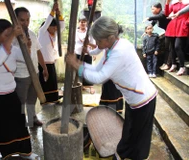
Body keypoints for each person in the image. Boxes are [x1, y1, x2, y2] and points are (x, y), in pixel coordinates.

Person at [66, 16, 157, 160]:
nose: (96, 43)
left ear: (109, 37)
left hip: (143, 99)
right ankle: (123, 155)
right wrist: (79, 63)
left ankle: (127, 156)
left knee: (138, 138)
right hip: (135, 99)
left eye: (98, 40)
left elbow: (99, 77)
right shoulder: (114, 47)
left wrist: (76, 64)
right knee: (130, 132)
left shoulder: (118, 52)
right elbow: (96, 68)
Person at [0, 19, 38, 159]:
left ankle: (25, 152)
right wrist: (12, 36)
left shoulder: (10, 47)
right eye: (6, 35)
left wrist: (27, 46)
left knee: (18, 123)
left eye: (10, 35)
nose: (9, 38)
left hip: (10, 93)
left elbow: (26, 58)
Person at [13, 7, 48, 127]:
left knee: (32, 98)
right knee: (21, 101)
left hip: (34, 72)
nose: (25, 23)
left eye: (27, 20)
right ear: (15, 19)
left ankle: (32, 118)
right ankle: (20, 123)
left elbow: (38, 51)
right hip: (20, 74)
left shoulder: (32, 34)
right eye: (22, 20)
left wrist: (44, 68)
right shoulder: (11, 37)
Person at [38, 2, 65, 104]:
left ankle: (53, 99)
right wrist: (53, 11)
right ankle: (45, 100)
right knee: (45, 82)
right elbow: (47, 22)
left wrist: (59, 14)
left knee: (53, 82)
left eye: (55, 27)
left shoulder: (55, 34)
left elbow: (62, 25)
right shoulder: (42, 33)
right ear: (48, 26)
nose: (55, 29)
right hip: (43, 63)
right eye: (53, 27)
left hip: (51, 62)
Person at [143, 2, 172, 70]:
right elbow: (153, 23)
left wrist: (148, 18)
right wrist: (146, 32)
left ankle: (168, 64)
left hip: (172, 32)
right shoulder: (157, 16)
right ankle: (166, 63)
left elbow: (160, 17)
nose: (152, 11)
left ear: (159, 8)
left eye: (153, 9)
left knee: (169, 48)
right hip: (167, 32)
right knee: (166, 47)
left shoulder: (162, 13)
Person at [164, 0, 189, 76]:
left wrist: (186, 23)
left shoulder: (187, 4)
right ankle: (173, 64)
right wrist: (167, 3)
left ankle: (182, 66)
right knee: (172, 46)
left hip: (182, 25)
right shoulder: (175, 4)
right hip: (174, 25)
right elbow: (167, 13)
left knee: (177, 46)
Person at [75, 15, 96, 94]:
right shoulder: (75, 32)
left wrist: (94, 54)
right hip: (78, 54)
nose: (83, 23)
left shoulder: (89, 32)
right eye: (81, 22)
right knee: (80, 70)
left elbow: (94, 45)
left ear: (87, 23)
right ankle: (82, 85)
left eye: (84, 22)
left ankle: (90, 86)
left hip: (87, 54)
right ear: (79, 23)